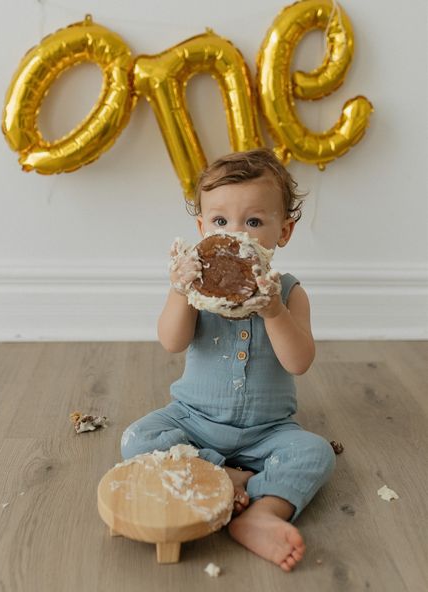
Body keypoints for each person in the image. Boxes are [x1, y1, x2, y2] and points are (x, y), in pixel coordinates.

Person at [121, 148, 335, 572]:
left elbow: (299, 362)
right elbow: (171, 341)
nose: (236, 234)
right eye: (220, 222)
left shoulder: (288, 293)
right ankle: (227, 478)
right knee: (137, 439)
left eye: (254, 222)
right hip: (192, 420)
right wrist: (182, 292)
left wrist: (272, 309)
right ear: (202, 228)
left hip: (268, 431)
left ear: (284, 231)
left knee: (316, 453)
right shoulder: (194, 286)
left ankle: (262, 513)